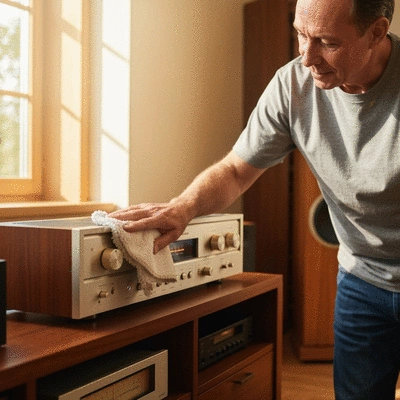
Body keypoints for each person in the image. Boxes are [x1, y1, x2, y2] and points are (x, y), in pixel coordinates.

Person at [110, 0, 400, 398]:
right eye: (300, 33)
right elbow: (234, 170)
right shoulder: (292, 85)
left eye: (327, 42)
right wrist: (184, 207)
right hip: (362, 278)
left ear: (377, 32)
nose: (307, 56)